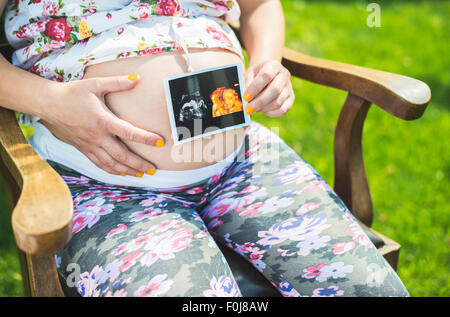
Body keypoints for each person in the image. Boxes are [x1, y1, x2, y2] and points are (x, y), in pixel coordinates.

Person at [0, 0, 409, 297]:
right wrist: (49, 102)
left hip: (245, 163)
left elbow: (259, 5)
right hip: (108, 187)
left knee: (370, 290)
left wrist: (269, 63)